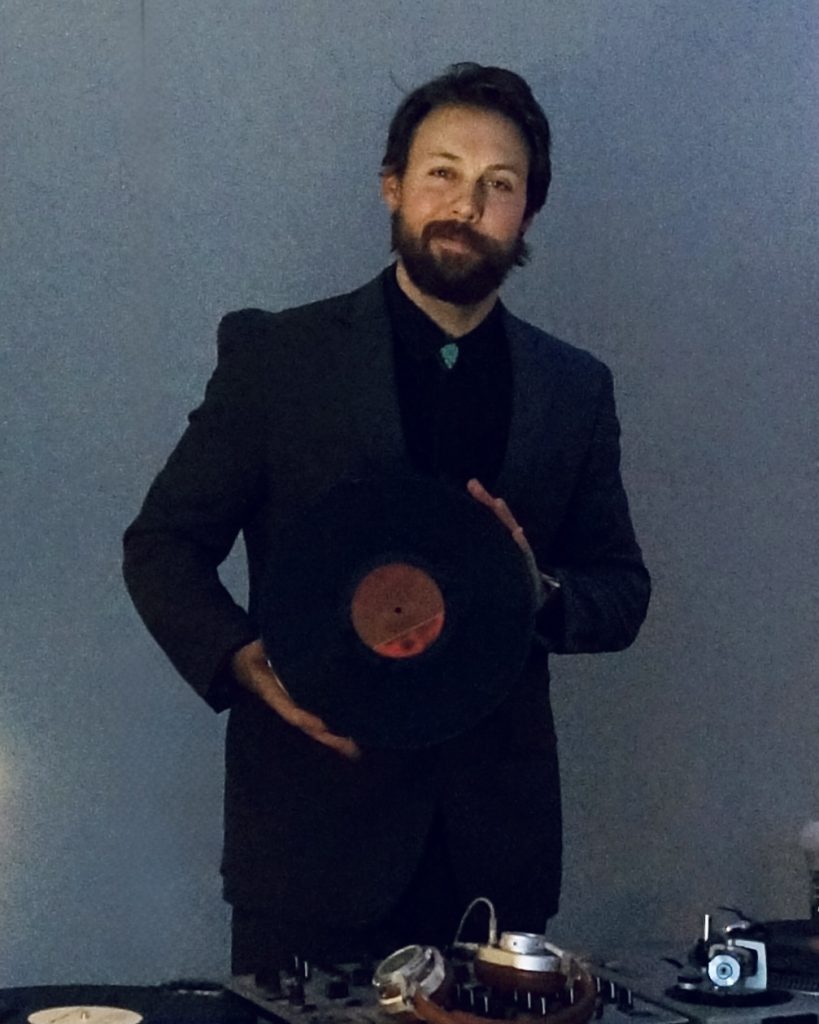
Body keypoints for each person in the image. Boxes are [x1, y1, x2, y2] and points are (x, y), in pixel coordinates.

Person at [123, 63, 650, 977]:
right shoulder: (277, 359)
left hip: (496, 857)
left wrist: (539, 591)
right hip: (308, 844)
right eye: (442, 172)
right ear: (393, 186)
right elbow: (163, 544)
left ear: (527, 213)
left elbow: (621, 590)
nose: (466, 204)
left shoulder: (573, 389)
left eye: (498, 184)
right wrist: (241, 660)